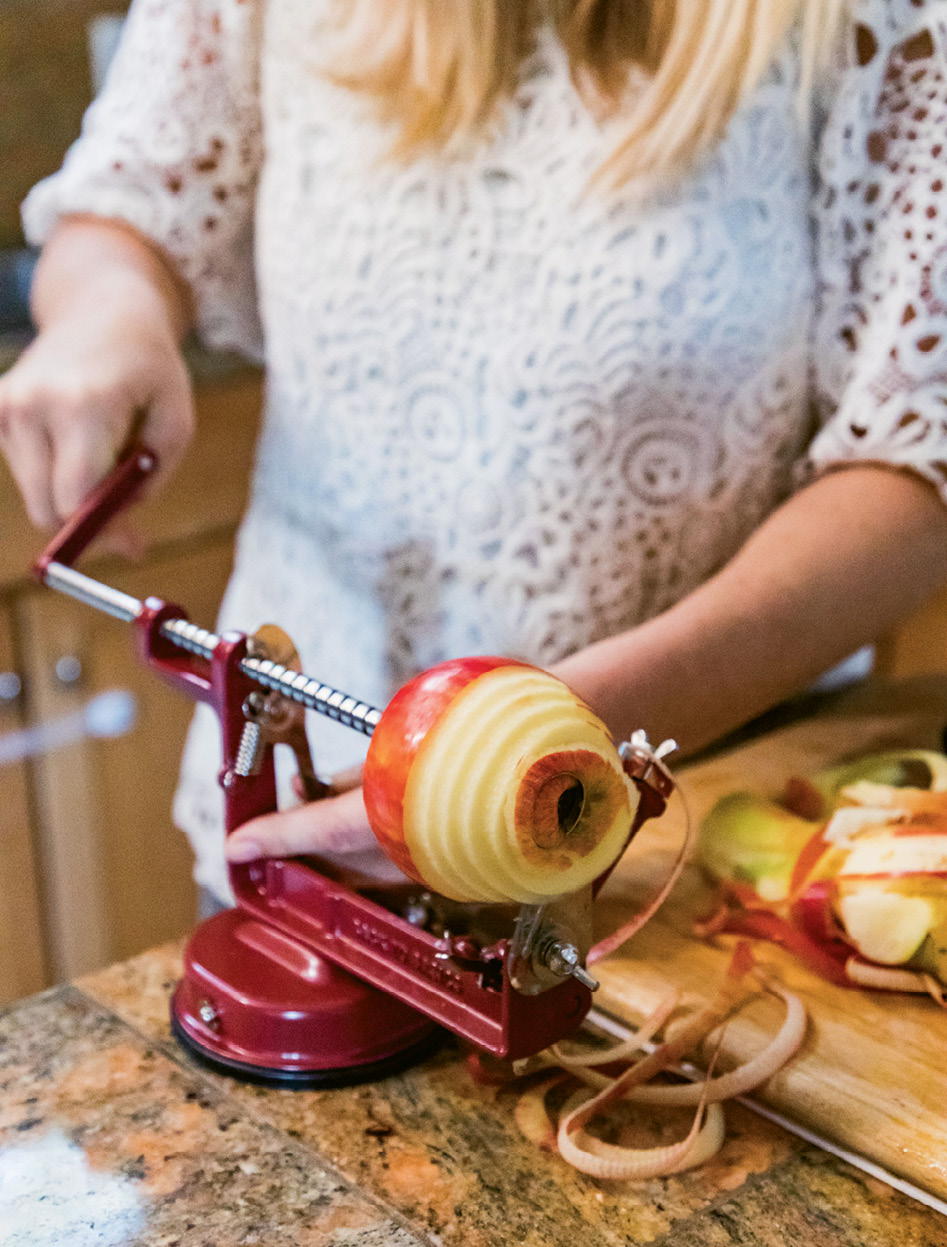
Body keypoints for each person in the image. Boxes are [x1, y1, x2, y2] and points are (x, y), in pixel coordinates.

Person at [2, 0, 947, 910]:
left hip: (670, 839)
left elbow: (916, 457)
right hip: (292, 832)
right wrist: (108, 308)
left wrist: (547, 744)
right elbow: (130, 202)